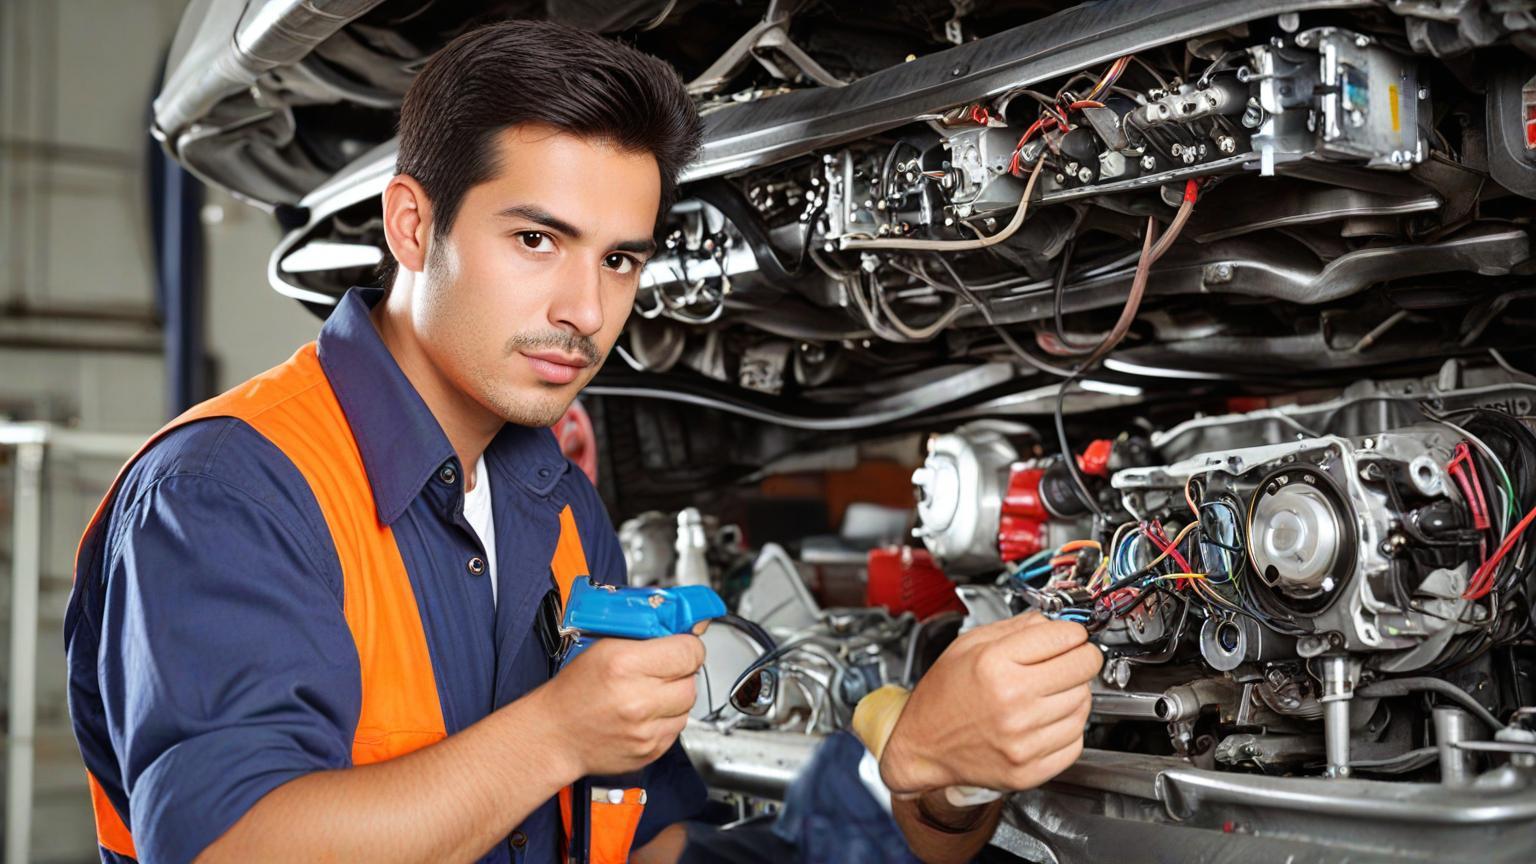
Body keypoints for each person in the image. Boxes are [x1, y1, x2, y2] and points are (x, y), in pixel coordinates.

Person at [65, 19, 1099, 864]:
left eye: (620, 260)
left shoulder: (552, 507)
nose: (584, 309)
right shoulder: (231, 488)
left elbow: (646, 846)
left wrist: (922, 774)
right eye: (536, 240)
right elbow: (228, 849)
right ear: (413, 226)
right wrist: (559, 729)